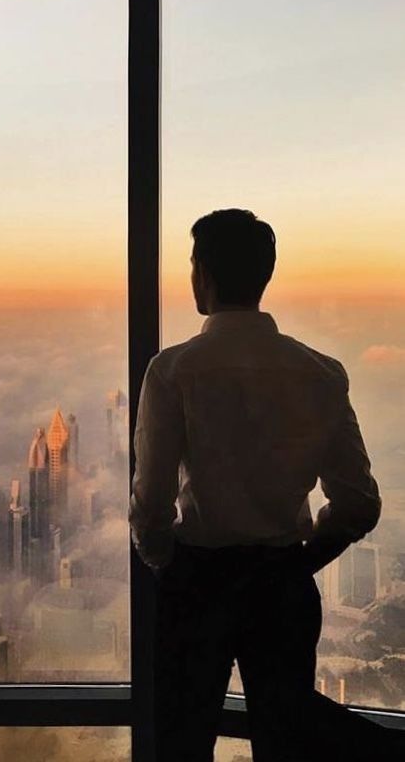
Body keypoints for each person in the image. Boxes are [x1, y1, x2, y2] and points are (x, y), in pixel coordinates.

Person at [129, 208, 404, 762]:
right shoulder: (319, 372)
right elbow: (359, 502)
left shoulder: (173, 371)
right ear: (264, 274)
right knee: (285, 742)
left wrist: (171, 565)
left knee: (181, 743)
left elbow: (150, 508)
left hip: (197, 583)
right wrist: (298, 561)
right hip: (281, 586)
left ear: (202, 273)